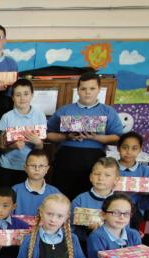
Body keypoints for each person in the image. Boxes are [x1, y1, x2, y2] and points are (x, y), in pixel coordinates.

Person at [47, 72, 124, 200]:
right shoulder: (65, 110)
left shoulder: (108, 111)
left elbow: (117, 138)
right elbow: (48, 135)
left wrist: (95, 138)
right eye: (83, 89)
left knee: (88, 199)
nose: (87, 92)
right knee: (61, 199)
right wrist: (67, 137)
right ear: (78, 90)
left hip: (94, 162)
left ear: (99, 89)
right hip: (66, 160)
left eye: (92, 88)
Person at [0, 78, 46, 188]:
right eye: (18, 95)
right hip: (7, 166)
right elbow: (1, 146)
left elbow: (40, 148)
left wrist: (37, 143)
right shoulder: (7, 117)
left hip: (30, 168)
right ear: (12, 98)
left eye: (26, 94)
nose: (22, 98)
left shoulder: (40, 115)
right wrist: (13, 146)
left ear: (32, 95)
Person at [115, 131, 149, 229]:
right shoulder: (108, 168)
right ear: (118, 148)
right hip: (110, 210)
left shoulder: (147, 173)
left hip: (134, 213)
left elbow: (147, 204)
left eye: (134, 148)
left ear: (140, 150)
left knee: (131, 240)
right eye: (125, 147)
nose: (129, 152)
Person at [12, 150, 61, 217]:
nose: (37, 169)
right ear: (25, 168)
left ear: (47, 169)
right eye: (33, 165)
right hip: (19, 227)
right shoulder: (15, 190)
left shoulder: (55, 193)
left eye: (41, 166)